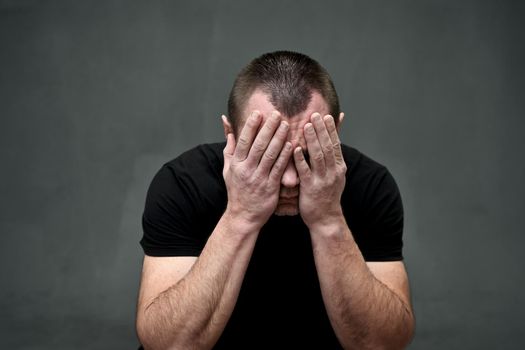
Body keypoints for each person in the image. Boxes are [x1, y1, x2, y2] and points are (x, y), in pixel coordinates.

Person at [135, 51, 415, 349]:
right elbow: (168, 345)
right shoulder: (183, 183)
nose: (290, 180)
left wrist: (328, 219)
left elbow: (383, 344)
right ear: (230, 133)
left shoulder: (371, 185)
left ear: (335, 133)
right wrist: (241, 215)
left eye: (306, 156)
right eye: (269, 154)